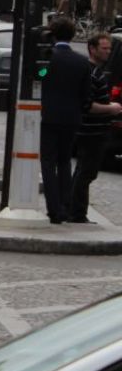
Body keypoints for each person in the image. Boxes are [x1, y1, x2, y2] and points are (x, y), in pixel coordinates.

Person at [39, 17, 122, 223]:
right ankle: (64, 205)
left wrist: (44, 72)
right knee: (65, 161)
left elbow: (39, 75)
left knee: (48, 163)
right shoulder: (80, 63)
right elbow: (86, 97)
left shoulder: (48, 59)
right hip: (72, 119)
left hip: (49, 117)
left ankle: (54, 208)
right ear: (73, 36)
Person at [68, 32, 118, 222]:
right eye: (104, 48)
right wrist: (111, 108)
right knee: (86, 172)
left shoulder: (96, 72)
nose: (107, 52)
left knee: (85, 171)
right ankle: (76, 212)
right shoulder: (92, 73)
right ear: (92, 49)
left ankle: (76, 210)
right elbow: (88, 105)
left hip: (94, 130)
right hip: (90, 131)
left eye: (109, 49)